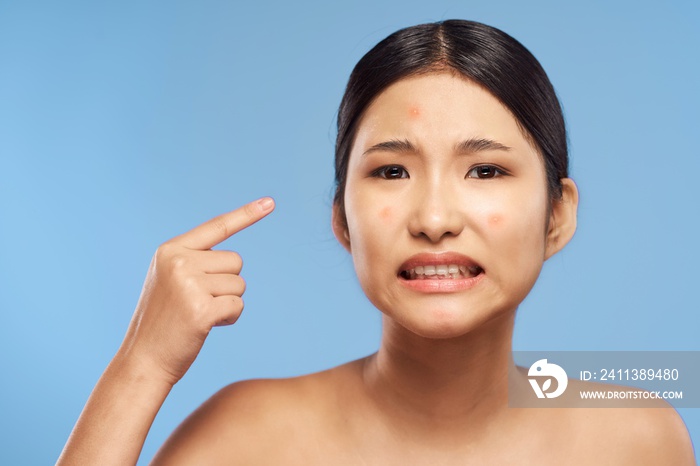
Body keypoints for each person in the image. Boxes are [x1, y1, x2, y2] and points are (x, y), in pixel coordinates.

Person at [57, 20, 695, 465]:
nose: (435, 217)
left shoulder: (636, 439)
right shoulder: (245, 436)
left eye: (486, 170)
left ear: (558, 216)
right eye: (392, 171)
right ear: (342, 219)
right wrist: (141, 368)